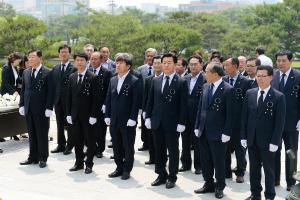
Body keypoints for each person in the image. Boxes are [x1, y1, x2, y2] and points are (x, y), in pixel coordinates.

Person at [241, 65, 285, 200]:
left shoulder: (278, 97)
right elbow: (244, 117)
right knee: (254, 169)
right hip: (252, 139)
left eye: (263, 76)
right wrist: (243, 136)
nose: (260, 79)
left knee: (269, 171)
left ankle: (270, 195)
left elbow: (280, 123)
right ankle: (255, 193)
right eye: (258, 76)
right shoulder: (250, 93)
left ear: (270, 77)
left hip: (268, 141)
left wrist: (275, 141)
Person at [146, 53, 188, 189]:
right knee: (159, 150)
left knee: (173, 151)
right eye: (164, 62)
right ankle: (161, 174)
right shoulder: (156, 80)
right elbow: (150, 100)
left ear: (175, 65)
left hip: (172, 123)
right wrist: (147, 117)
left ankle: (172, 176)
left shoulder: (181, 82)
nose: (166, 65)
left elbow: (183, 105)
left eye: (169, 62)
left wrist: (182, 122)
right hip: (157, 121)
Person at [194, 62, 233, 199]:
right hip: (204, 130)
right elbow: (200, 109)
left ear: (215, 74)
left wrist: (227, 132)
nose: (205, 74)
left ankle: (219, 186)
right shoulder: (205, 86)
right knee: (205, 160)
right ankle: (208, 183)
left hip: (219, 133)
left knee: (219, 161)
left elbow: (231, 114)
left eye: (207, 72)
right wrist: (197, 126)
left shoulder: (228, 89)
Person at [104, 53, 141, 180]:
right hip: (114, 119)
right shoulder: (113, 79)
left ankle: (127, 169)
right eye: (117, 63)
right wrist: (107, 115)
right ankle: (119, 167)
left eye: (121, 63)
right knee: (116, 145)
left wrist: (133, 118)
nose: (117, 65)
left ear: (128, 66)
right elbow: (108, 98)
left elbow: (136, 102)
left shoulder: (134, 81)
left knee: (128, 146)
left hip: (127, 121)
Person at [19, 49, 54, 168]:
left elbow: (51, 92)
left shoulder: (48, 72)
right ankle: (32, 157)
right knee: (32, 134)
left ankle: (43, 158)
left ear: (40, 58)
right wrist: (22, 104)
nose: (30, 59)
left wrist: (49, 107)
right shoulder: (26, 72)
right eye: (29, 57)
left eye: (33, 57)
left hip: (42, 109)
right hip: (29, 109)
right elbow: (23, 90)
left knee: (42, 134)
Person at [272, 50, 300, 191]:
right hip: (274, 123)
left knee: (291, 153)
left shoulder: (298, 76)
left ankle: (291, 182)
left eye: (284, 60)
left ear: (290, 61)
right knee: (274, 151)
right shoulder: (273, 75)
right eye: (278, 60)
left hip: (292, 123)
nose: (281, 63)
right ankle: (275, 179)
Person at [66, 52, 98, 174]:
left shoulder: (93, 77)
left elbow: (96, 99)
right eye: (77, 60)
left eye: (82, 60)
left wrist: (94, 115)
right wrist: (68, 113)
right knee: (77, 140)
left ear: (87, 62)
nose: (79, 62)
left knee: (89, 141)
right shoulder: (72, 77)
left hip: (88, 115)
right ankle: (78, 163)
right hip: (75, 115)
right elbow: (68, 97)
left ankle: (89, 164)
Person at [223, 57, 251, 183]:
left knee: (240, 149)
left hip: (239, 121)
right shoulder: (223, 80)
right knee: (225, 148)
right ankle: (226, 171)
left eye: (227, 65)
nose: (225, 68)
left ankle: (240, 172)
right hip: (225, 121)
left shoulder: (245, 81)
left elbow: (248, 103)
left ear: (235, 66)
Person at [179, 55, 205, 175]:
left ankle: (199, 165)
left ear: (201, 65)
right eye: (191, 64)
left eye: (196, 64)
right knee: (184, 140)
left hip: (198, 115)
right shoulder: (185, 78)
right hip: (185, 115)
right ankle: (185, 163)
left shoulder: (205, 79)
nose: (193, 66)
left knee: (198, 142)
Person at [51, 44, 75, 155]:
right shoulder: (55, 68)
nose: (63, 54)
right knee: (59, 123)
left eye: (66, 52)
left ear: (69, 54)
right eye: (61, 52)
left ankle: (70, 145)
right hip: (57, 101)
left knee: (69, 124)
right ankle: (61, 144)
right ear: (59, 54)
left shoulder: (74, 68)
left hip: (69, 101)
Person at [90, 51, 112, 158]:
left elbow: (109, 90)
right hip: (89, 105)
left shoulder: (107, 73)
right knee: (90, 128)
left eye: (96, 59)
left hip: (101, 105)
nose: (93, 61)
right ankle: (92, 147)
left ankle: (100, 149)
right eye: (92, 59)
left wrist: (105, 104)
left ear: (101, 60)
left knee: (101, 129)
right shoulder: (88, 71)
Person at [142, 55, 163, 165]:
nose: (157, 65)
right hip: (151, 112)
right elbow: (146, 97)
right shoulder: (149, 80)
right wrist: (144, 111)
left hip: (162, 113)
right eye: (155, 63)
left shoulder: (165, 79)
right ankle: (152, 157)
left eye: (159, 63)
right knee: (150, 136)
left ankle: (161, 158)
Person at [137, 48, 157, 152]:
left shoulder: (158, 68)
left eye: (152, 56)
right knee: (144, 122)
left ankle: (154, 144)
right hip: (144, 99)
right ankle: (145, 143)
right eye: (148, 56)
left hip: (155, 99)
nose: (150, 58)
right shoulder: (140, 69)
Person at [1, 52, 23, 141]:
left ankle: (13, 132)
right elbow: (5, 83)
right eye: (18, 61)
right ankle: (1, 135)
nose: (19, 63)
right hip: (7, 93)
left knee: (13, 113)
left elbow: (17, 79)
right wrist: (13, 92)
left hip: (14, 92)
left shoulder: (15, 68)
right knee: (5, 114)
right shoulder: (6, 68)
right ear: (14, 60)